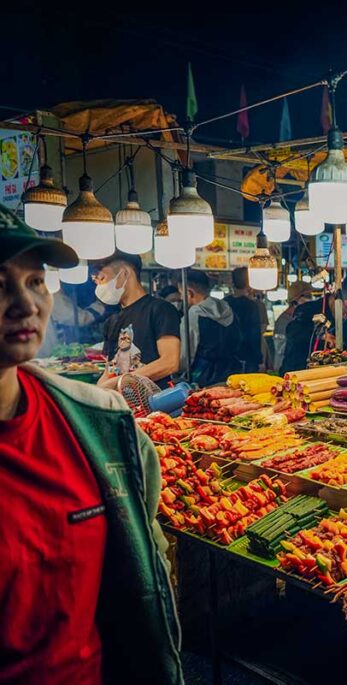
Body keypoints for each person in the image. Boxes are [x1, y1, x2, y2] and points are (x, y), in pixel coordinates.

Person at [0, 206, 182, 683]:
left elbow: (144, 567)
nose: (26, 304)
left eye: (35, 281)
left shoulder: (103, 428)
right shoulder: (112, 325)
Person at [94, 252, 180, 388]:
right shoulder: (111, 322)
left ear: (124, 273)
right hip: (121, 400)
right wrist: (98, 392)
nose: (99, 285)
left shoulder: (160, 310)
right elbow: (110, 369)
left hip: (155, 398)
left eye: (102, 278)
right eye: (96, 281)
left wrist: (117, 383)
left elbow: (169, 362)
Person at [180, 270, 241, 386]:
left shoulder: (193, 314)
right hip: (233, 373)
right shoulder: (227, 308)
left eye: (182, 294)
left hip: (203, 377)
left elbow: (187, 354)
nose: (181, 298)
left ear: (189, 292)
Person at [224, 266, 267, 373]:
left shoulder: (224, 303)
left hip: (228, 357)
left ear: (232, 282)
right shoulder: (252, 306)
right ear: (249, 283)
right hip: (249, 357)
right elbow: (254, 334)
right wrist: (260, 360)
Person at [281, 293, 334, 374]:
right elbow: (292, 332)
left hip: (321, 372)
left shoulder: (344, 318)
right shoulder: (307, 309)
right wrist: (321, 336)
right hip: (296, 370)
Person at [273, 282, 313, 373]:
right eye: (308, 296)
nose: (311, 299)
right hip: (286, 369)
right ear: (296, 299)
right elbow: (280, 348)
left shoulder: (302, 318)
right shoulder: (283, 321)